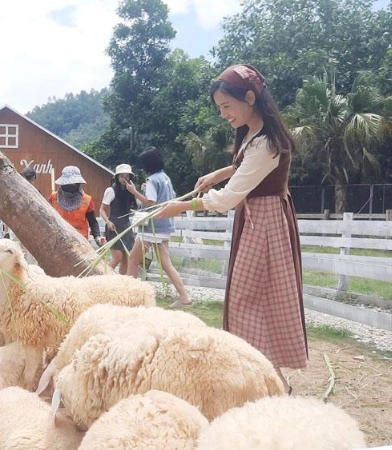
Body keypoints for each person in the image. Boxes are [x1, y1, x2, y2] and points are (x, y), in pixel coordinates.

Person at [153, 64, 307, 392]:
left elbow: (228, 199)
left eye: (227, 107)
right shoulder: (253, 131)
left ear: (250, 97)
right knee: (248, 302)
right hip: (255, 221)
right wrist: (219, 173)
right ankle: (269, 384)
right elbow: (244, 166)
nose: (224, 115)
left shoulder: (268, 142)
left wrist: (179, 207)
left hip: (265, 225)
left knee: (249, 302)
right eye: (219, 108)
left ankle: (275, 386)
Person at [125, 147, 191, 307]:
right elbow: (167, 197)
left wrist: (134, 192)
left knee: (133, 260)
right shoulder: (165, 178)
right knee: (166, 264)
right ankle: (184, 297)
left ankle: (128, 296)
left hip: (151, 227)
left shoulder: (152, 180)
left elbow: (151, 203)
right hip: (165, 225)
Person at [48, 165, 104, 246]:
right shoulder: (53, 198)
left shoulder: (87, 200)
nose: (70, 186)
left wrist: (97, 237)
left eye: (73, 184)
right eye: (68, 184)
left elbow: (93, 221)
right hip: (58, 241)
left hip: (80, 243)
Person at [99, 164, 137, 274]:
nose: (124, 179)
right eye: (122, 176)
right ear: (117, 177)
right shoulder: (111, 190)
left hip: (126, 225)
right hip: (114, 225)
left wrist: (136, 213)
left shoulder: (130, 190)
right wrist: (108, 221)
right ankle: (104, 278)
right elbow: (102, 209)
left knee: (126, 257)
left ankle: (122, 281)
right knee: (117, 257)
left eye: (127, 177)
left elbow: (127, 209)